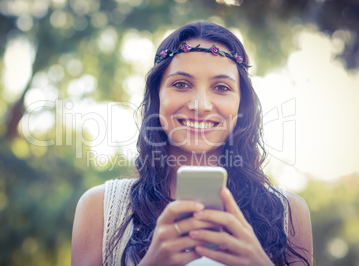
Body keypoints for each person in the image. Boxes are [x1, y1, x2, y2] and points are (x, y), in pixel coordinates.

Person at [71, 21, 313, 265]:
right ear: (156, 97)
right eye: (181, 84)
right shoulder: (99, 209)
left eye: (221, 87)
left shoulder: (289, 213)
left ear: (243, 104)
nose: (200, 105)